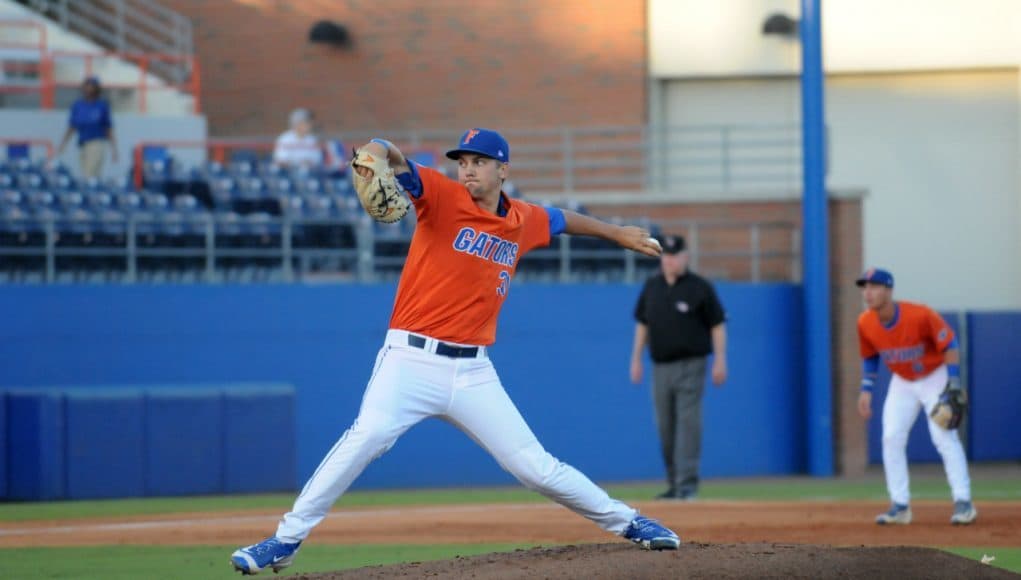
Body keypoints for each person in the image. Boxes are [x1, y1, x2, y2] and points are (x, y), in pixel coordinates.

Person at [230, 128, 680, 575]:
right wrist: (375, 149)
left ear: (502, 169)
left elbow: (561, 219)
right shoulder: (442, 196)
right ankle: (286, 540)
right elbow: (397, 159)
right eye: (462, 161)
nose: (467, 170)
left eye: (478, 162)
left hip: (473, 373)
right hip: (410, 360)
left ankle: (629, 522)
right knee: (367, 436)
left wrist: (616, 232)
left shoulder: (522, 219)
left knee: (534, 467)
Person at [855, 268, 977, 526]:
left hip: (934, 376)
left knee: (943, 436)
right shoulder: (865, 322)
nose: (868, 292)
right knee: (891, 437)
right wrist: (866, 390)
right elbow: (870, 356)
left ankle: (963, 502)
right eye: (864, 287)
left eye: (874, 286)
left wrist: (953, 382)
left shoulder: (919, 314)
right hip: (903, 382)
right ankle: (900, 506)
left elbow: (950, 345)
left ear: (889, 290)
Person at [630, 234, 727, 501]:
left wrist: (720, 359)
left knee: (688, 424)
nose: (670, 261)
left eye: (674, 256)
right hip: (660, 366)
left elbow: (717, 324)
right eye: (666, 256)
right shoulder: (652, 286)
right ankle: (675, 483)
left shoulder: (700, 287)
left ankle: (687, 484)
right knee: (665, 426)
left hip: (691, 365)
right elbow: (642, 323)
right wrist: (636, 358)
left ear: (685, 257)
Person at [54, 76, 117, 179]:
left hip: (96, 143)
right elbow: (72, 126)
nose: (89, 88)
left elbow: (108, 127)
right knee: (88, 175)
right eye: (87, 85)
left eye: (92, 86)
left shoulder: (101, 105)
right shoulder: (78, 105)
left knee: (89, 174)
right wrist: (63, 144)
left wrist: (114, 149)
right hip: (82, 144)